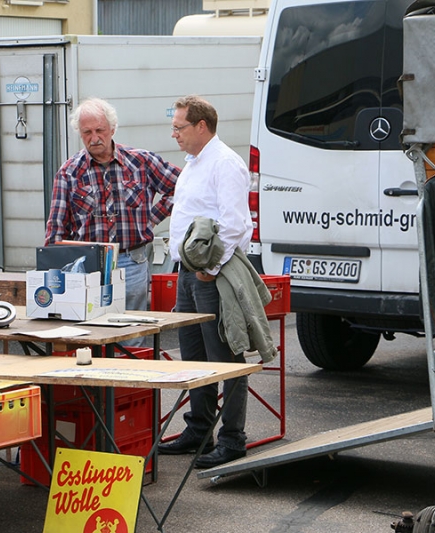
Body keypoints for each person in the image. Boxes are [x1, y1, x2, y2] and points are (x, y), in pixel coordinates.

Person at [157, 95, 254, 468]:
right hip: (188, 271)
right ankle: (199, 429)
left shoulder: (225, 163)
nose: (174, 133)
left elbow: (236, 225)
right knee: (194, 356)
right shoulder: (195, 162)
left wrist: (210, 268)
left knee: (226, 358)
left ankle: (232, 439)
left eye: (180, 126)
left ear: (201, 126)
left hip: (210, 276)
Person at [44, 97, 180, 314]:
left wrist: (151, 219)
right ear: (80, 133)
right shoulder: (68, 172)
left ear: (112, 129)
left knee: (133, 331)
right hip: (87, 264)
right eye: (87, 132)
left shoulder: (141, 162)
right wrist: (52, 272)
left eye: (100, 130)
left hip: (132, 261)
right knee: (91, 329)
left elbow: (182, 187)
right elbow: (57, 227)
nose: (94, 138)